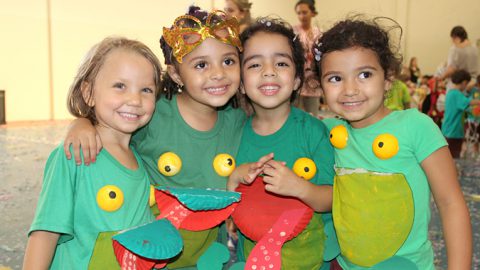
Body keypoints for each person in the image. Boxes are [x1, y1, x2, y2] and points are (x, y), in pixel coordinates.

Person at [63, 6, 246, 269]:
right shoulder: (153, 111)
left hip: (207, 257)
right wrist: (81, 122)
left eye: (228, 61)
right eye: (201, 64)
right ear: (174, 74)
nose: (217, 73)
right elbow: (111, 122)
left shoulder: (238, 121)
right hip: (151, 256)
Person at [312, 17, 472, 269]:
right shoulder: (327, 132)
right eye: (335, 78)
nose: (350, 89)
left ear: (388, 79)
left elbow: (450, 202)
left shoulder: (415, 127)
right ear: (320, 86)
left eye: (364, 74)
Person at [22, 37, 162, 269]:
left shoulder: (140, 159)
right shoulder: (72, 156)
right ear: (88, 93)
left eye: (146, 89)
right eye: (120, 86)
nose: (135, 99)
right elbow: (45, 234)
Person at [227, 17, 337, 269]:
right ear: (241, 83)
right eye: (255, 64)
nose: (269, 71)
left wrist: (300, 188)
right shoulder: (235, 133)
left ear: (297, 79)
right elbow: (226, 205)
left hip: (309, 260)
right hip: (253, 261)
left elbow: (333, 197)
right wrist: (236, 177)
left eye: (280, 62)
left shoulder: (312, 131)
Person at [293, 0, 323, 116]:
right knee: (295, 114)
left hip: (312, 80)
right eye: (299, 13)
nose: (301, 16)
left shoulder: (318, 33)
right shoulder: (293, 31)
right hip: (297, 78)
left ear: (312, 13)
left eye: (304, 12)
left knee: (312, 114)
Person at [441, 69, 480, 158]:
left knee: (449, 156)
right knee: (453, 157)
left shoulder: (450, 93)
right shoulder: (457, 94)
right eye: (466, 84)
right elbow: (468, 102)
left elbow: (465, 107)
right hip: (453, 132)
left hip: (447, 130)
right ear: (464, 82)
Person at [439, 26, 479, 90]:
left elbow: (452, 69)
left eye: (452, 39)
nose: (452, 42)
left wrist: (441, 77)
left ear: (456, 37)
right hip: (473, 83)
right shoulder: (475, 48)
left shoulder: (455, 49)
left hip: (459, 85)